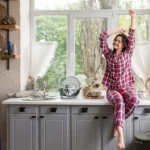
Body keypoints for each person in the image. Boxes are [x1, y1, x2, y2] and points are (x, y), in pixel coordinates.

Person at [99, 10, 140, 149]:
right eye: (115, 40)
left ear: (123, 45)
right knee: (119, 101)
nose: (116, 42)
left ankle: (118, 123)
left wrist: (133, 17)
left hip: (127, 88)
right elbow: (102, 36)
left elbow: (132, 35)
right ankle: (121, 134)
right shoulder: (108, 54)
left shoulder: (128, 54)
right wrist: (117, 30)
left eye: (119, 41)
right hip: (113, 90)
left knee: (135, 100)